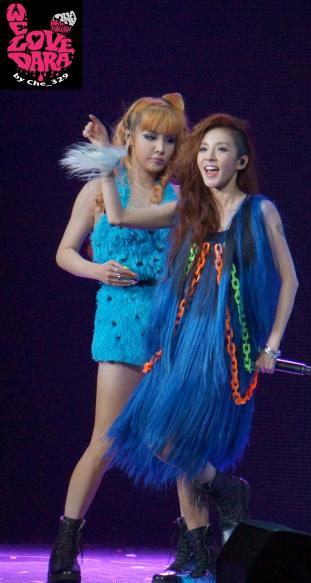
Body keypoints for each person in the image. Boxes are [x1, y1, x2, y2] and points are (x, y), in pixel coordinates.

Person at [93, 113, 297, 580]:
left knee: (185, 441)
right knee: (158, 435)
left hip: (226, 349)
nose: (209, 157)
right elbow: (120, 216)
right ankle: (221, 496)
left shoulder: (259, 211)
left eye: (221, 149)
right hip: (181, 341)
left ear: (240, 161)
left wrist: (272, 345)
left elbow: (290, 281)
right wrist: (106, 158)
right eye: (204, 149)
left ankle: (200, 556)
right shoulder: (189, 208)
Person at [50, 94, 186, 583]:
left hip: (167, 319)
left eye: (169, 140)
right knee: (105, 441)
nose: (160, 148)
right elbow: (65, 252)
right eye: (151, 137)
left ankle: (196, 550)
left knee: (176, 441)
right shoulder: (97, 190)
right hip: (119, 316)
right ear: (129, 136)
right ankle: (65, 549)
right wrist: (97, 270)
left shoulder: (177, 196)